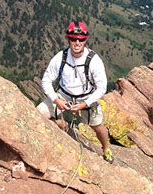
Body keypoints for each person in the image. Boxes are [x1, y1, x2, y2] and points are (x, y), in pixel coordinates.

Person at [37, 21, 114, 163]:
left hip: (87, 98)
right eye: (73, 38)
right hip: (63, 95)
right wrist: (56, 100)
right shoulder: (60, 57)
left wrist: (85, 104)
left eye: (81, 39)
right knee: (38, 114)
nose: (77, 42)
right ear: (68, 39)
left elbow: (102, 87)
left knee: (98, 127)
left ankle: (106, 148)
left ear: (86, 40)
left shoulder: (93, 60)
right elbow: (46, 81)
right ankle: (61, 125)